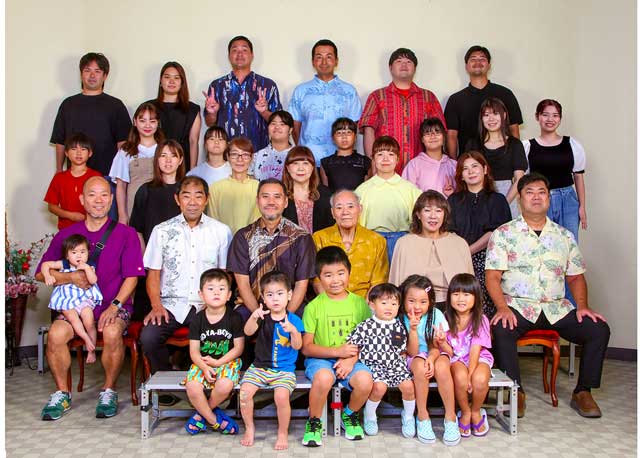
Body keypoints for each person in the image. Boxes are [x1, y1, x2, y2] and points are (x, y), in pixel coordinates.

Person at [486, 173, 610, 418]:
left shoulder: (564, 236)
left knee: (598, 329)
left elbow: (575, 277)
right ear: (520, 199)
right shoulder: (504, 233)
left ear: (549, 198)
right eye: (529, 192)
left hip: (556, 309)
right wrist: (502, 308)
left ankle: (583, 392)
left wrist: (583, 306)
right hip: (518, 307)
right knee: (501, 328)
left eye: (541, 192)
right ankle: (516, 392)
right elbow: (492, 277)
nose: (536, 197)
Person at [37, 176, 144, 420]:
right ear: (82, 200)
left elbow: (132, 277)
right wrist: (71, 277)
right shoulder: (66, 234)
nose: (99, 200)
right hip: (75, 307)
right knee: (55, 334)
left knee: (112, 332)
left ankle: (108, 391)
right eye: (92, 195)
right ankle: (62, 394)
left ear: (111, 200)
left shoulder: (126, 234)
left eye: (104, 195)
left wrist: (115, 306)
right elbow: (42, 274)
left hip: (113, 305)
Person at [140, 176, 233, 374]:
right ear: (177, 199)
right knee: (149, 337)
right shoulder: (161, 231)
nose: (192, 202)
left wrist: (215, 305)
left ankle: (206, 381)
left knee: (220, 338)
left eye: (198, 196)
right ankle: (166, 380)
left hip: (206, 306)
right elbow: (153, 274)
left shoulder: (220, 231)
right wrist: (156, 306)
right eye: (186, 196)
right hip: (170, 305)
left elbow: (225, 275)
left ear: (206, 199)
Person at [301, 246, 373, 446]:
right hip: (320, 359)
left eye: (341, 273)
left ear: (349, 273)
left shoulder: (359, 304)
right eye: (328, 275)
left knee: (365, 380)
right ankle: (314, 421)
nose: (335, 280)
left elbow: (368, 340)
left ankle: (349, 414)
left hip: (352, 358)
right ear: (319, 278)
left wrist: (351, 359)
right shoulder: (313, 307)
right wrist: (337, 351)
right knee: (324, 378)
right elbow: (306, 347)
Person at [227, 178, 316, 322]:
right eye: (265, 196)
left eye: (277, 197)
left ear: (285, 202)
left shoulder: (301, 237)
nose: (271, 202)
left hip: (292, 306)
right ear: (257, 201)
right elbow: (243, 284)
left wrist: (284, 317)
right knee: (235, 320)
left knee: (307, 319)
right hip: (253, 307)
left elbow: (301, 284)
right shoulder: (243, 237)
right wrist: (258, 315)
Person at [240, 271, 305, 450]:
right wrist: (253, 316)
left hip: (284, 370)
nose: (275, 299)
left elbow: (298, 346)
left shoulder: (294, 320)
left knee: (281, 396)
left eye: (280, 293)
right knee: (244, 393)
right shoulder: (262, 317)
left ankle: (282, 432)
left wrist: (293, 331)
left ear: (289, 295)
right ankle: (249, 428)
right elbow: (247, 332)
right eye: (269, 295)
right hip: (259, 367)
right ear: (263, 297)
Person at [360, 48, 445, 173]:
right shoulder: (377, 96)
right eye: (399, 61)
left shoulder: (428, 97)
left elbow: (440, 132)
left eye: (408, 62)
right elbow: (369, 130)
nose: (404, 65)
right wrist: (373, 164)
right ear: (390, 68)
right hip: (386, 169)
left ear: (415, 68)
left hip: (423, 169)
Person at [347, 283, 415, 438]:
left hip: (395, 365)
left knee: (409, 387)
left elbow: (402, 348)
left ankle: (408, 417)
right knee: (379, 388)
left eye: (394, 304)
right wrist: (350, 360)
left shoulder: (399, 325)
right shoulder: (366, 326)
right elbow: (352, 344)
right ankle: (370, 415)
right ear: (372, 305)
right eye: (384, 303)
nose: (389, 307)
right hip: (374, 366)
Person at [448, 151, 511, 316]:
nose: (471, 171)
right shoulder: (453, 200)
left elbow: (495, 233)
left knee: (483, 307)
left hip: (489, 260)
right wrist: (461, 253)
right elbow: (449, 231)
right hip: (457, 257)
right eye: (465, 168)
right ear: (461, 176)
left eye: (475, 166)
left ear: (485, 170)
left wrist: (468, 251)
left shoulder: (498, 200)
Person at [399, 275, 459, 446]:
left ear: (431, 302)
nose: (417, 306)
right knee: (419, 366)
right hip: (414, 354)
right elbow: (412, 352)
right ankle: (422, 416)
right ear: (403, 300)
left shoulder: (436, 315)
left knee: (442, 367)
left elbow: (438, 348)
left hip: (436, 352)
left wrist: (433, 356)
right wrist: (412, 329)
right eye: (411, 301)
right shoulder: (401, 318)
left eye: (423, 302)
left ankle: (450, 417)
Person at [183, 268, 244, 435]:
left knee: (225, 385)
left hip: (227, 361)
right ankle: (214, 421)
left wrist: (218, 362)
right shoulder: (197, 319)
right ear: (201, 294)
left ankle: (201, 415)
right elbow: (194, 351)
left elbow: (238, 348)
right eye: (210, 289)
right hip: (202, 362)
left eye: (221, 289)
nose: (216, 292)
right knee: (192, 387)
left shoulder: (234, 318)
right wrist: (204, 367)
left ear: (229, 295)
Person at [50, 52, 131, 176]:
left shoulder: (116, 105)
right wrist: (59, 169)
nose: (92, 75)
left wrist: (122, 174)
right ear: (81, 74)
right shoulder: (68, 104)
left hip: (107, 175)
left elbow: (123, 142)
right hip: (75, 175)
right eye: (87, 70)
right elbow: (60, 141)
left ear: (105, 76)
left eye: (97, 71)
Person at [389, 191, 473, 309]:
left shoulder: (459, 243)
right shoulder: (404, 243)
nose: (433, 216)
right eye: (427, 210)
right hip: (415, 306)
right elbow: (394, 286)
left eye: (438, 211)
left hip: (453, 306)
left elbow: (469, 287)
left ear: (445, 215)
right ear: (418, 214)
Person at [523, 99, 587, 243]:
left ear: (560, 118)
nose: (550, 119)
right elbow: (523, 180)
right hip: (540, 199)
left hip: (568, 200)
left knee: (569, 244)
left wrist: (582, 207)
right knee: (542, 244)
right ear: (537, 117)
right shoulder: (527, 146)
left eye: (555, 115)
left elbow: (578, 177)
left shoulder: (572, 144)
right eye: (545, 115)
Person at [203, 35, 282, 151]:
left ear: (252, 55)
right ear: (229, 56)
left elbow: (279, 123)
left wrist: (264, 112)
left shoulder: (267, 85)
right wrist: (213, 114)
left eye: (244, 50)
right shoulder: (217, 86)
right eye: (235, 50)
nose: (239, 54)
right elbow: (209, 123)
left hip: (259, 153)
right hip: (226, 153)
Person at [289, 39, 362, 162]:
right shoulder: (301, 91)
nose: (324, 62)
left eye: (329, 57)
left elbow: (354, 125)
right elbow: (295, 126)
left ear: (336, 61)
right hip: (309, 159)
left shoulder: (349, 91)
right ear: (313, 61)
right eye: (319, 57)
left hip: (341, 159)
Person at [438, 274, 493, 438]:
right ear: (449, 297)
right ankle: (465, 411)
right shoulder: (445, 318)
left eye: (466, 294)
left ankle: (476, 411)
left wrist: (471, 375)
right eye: (456, 294)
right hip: (456, 357)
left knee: (479, 379)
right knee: (460, 378)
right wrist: (442, 342)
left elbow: (475, 350)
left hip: (477, 357)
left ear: (476, 297)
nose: (461, 299)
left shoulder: (481, 319)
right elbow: (450, 351)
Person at [444, 45, 523, 158]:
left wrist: (516, 158)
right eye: (473, 59)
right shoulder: (455, 99)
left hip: (503, 160)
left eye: (482, 59)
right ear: (466, 66)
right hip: (469, 162)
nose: (478, 62)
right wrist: (454, 163)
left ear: (489, 65)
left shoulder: (505, 94)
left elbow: (514, 129)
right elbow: (451, 135)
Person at [354, 136, 422, 262]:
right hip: (372, 240)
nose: (385, 159)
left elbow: (418, 221)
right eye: (380, 154)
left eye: (391, 154)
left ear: (397, 159)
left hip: (402, 240)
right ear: (373, 159)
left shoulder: (410, 189)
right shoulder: (362, 190)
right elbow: (356, 224)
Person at [312, 189, 388, 298]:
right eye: (339, 208)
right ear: (332, 213)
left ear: (360, 209)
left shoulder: (376, 240)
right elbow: (316, 280)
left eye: (350, 206)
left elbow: (378, 282)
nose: (345, 212)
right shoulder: (319, 238)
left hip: (365, 303)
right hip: (329, 302)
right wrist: (332, 304)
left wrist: (364, 306)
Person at [41, 234, 102, 364]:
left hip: (84, 298)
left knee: (89, 321)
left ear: (88, 253)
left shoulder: (89, 265)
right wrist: (47, 275)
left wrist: (87, 268)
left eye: (82, 252)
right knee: (74, 319)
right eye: (74, 252)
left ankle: (91, 350)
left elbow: (93, 280)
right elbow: (45, 264)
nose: (79, 256)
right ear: (67, 255)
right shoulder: (64, 264)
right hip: (66, 299)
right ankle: (86, 339)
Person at [465, 97, 527, 218]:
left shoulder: (515, 144)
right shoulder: (473, 144)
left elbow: (519, 179)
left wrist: (503, 204)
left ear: (504, 115)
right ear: (481, 118)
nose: (491, 118)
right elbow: (466, 173)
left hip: (508, 197)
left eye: (495, 113)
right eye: (486, 115)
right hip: (478, 198)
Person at [109, 102, 165, 224]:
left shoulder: (165, 149)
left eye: (152, 121)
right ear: (135, 122)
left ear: (158, 123)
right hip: (134, 207)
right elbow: (121, 186)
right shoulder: (125, 151)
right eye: (142, 120)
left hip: (160, 206)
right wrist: (122, 215)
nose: (147, 125)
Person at [130, 139, 185, 246]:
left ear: (180, 160)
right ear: (157, 159)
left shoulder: (187, 191)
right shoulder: (145, 190)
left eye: (173, 156)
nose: (168, 160)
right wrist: (145, 253)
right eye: (163, 155)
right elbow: (137, 229)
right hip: (152, 252)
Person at [149, 61, 201, 171]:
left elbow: (193, 142)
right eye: (167, 77)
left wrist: (192, 172)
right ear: (160, 81)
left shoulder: (192, 109)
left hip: (182, 165)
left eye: (176, 78)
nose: (171, 81)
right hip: (153, 164)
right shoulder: (149, 107)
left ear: (182, 82)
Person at [44, 133, 102, 229]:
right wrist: (70, 216)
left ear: (90, 153)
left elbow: (102, 204)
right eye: (74, 149)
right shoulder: (59, 178)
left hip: (92, 229)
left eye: (83, 149)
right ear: (66, 153)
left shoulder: (96, 177)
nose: (79, 153)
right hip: (66, 229)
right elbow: (51, 207)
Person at [207, 136, 261, 234]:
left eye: (245, 155)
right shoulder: (215, 188)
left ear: (251, 158)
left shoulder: (259, 188)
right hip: (223, 241)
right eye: (234, 154)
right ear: (227, 157)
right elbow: (213, 224)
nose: (240, 159)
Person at [282, 146, 334, 233]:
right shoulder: (280, 195)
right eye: (295, 163)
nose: (300, 168)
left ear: (312, 167)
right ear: (287, 168)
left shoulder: (325, 194)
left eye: (305, 163)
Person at [402, 117, 457, 195]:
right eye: (427, 133)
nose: (433, 136)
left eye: (437, 132)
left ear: (444, 137)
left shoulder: (454, 165)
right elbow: (406, 194)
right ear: (422, 139)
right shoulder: (414, 165)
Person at [320, 118, 371, 192]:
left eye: (348, 132)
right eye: (339, 133)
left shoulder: (365, 161)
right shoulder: (326, 163)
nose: (344, 136)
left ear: (355, 137)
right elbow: (326, 192)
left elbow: (367, 191)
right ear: (333, 138)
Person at [249, 110, 294, 181]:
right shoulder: (257, 156)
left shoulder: (297, 156)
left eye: (282, 124)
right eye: (273, 124)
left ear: (290, 130)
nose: (277, 127)